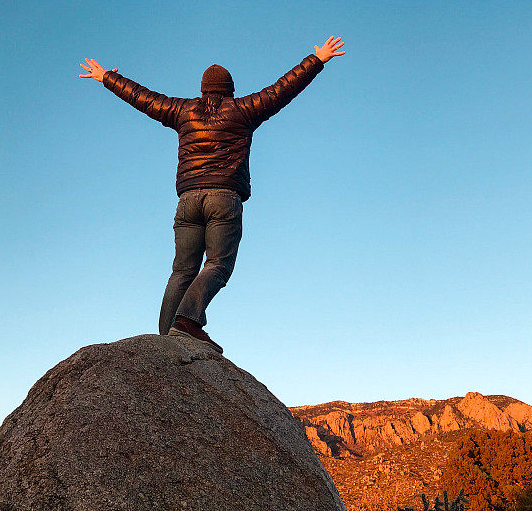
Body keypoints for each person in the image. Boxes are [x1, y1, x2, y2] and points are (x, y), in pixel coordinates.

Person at [79, 36, 345, 354]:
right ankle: (187, 323)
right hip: (223, 197)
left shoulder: (182, 111)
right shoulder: (243, 110)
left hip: (188, 200)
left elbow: (144, 98)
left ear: (204, 89)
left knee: (182, 269)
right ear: (229, 89)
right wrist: (316, 60)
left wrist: (107, 77)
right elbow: (282, 89)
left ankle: (166, 339)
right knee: (218, 264)